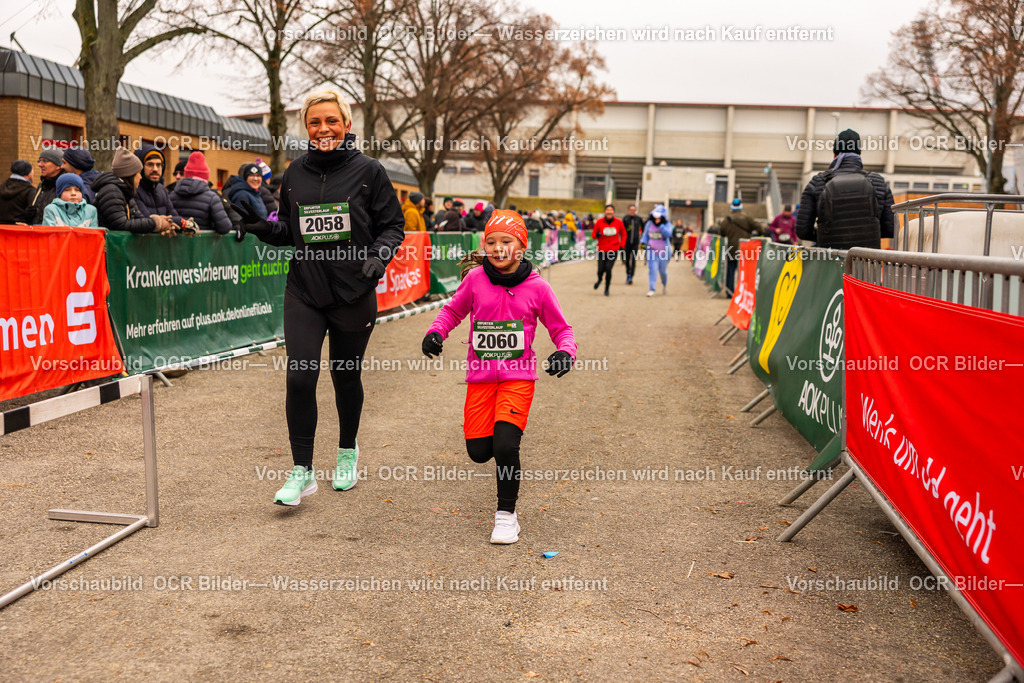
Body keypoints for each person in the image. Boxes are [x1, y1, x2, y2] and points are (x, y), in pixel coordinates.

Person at [231, 89, 406, 506]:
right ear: (305, 128)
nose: (323, 129)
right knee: (299, 375)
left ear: (347, 125)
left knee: (345, 377)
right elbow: (291, 231)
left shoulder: (370, 171)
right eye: (314, 122)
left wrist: (378, 258)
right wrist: (259, 226)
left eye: (331, 121)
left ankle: (347, 451)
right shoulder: (294, 173)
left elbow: (392, 227)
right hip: (305, 291)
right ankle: (302, 471)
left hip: (353, 291)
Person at [421, 210, 576, 544]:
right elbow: (452, 311)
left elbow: (562, 329)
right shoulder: (475, 279)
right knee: (479, 451)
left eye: (506, 241)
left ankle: (506, 516)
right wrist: (436, 332)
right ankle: (500, 445)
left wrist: (566, 351)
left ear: (521, 245)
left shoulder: (539, 287)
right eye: (490, 241)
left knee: (506, 444)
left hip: (518, 378)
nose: (497, 247)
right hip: (480, 378)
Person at [796, 129, 895, 249]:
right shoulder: (877, 182)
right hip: (866, 261)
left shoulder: (817, 182)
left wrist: (826, 235)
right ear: (859, 155)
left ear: (834, 155)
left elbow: (802, 230)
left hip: (829, 260)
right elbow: (890, 228)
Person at [92, 147, 176, 235]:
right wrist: (155, 223)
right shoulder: (111, 191)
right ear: (130, 175)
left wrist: (162, 223)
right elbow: (121, 224)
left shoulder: (126, 192)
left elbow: (138, 218)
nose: (140, 177)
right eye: (138, 173)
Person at [169, 152, 233, 234]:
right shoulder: (212, 198)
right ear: (205, 176)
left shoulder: (172, 195)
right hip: (203, 245)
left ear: (186, 174)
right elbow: (224, 227)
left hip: (176, 244)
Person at [719, 198, 764, 293]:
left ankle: (730, 292)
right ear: (741, 206)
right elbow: (760, 229)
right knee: (745, 271)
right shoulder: (747, 218)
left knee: (730, 271)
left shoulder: (727, 220)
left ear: (731, 207)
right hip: (745, 248)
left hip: (731, 248)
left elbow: (721, 232)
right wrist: (756, 235)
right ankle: (744, 292)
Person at [133, 145, 184, 226]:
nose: (155, 169)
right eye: (150, 164)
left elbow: (176, 217)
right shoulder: (134, 190)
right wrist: (169, 224)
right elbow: (147, 221)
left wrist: (183, 224)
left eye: (159, 165)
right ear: (140, 167)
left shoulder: (162, 190)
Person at [591, 203, 626, 296]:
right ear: (605, 212)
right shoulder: (599, 222)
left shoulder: (619, 222)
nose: (609, 212)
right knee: (600, 270)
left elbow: (623, 234)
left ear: (613, 212)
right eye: (607, 210)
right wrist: (597, 235)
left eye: (611, 210)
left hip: (613, 250)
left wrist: (622, 245)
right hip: (602, 249)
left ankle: (607, 289)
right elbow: (593, 234)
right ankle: (599, 279)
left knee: (608, 269)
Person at [641, 204, 673, 296]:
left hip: (664, 252)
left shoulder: (667, 224)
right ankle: (652, 289)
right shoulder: (649, 224)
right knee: (652, 269)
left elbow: (669, 234)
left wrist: (661, 226)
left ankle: (664, 284)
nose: (656, 219)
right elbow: (645, 234)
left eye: (659, 217)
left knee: (663, 271)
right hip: (652, 251)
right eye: (655, 216)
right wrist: (643, 243)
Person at [31, 148, 65, 224]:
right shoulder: (41, 186)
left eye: (45, 161)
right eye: (39, 161)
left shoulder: (65, 186)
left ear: (58, 165)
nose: (39, 165)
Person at [0, 160, 36, 224]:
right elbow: (32, 213)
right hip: (19, 231)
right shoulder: (30, 191)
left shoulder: (1, 187)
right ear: (29, 173)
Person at [621, 204, 643, 284]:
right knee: (627, 260)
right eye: (631, 210)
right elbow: (622, 230)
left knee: (633, 260)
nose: (632, 211)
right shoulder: (626, 218)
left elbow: (643, 230)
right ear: (628, 210)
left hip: (635, 243)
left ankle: (631, 276)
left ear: (635, 210)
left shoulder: (639, 219)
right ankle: (627, 273)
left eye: (634, 210)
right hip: (627, 243)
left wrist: (642, 242)